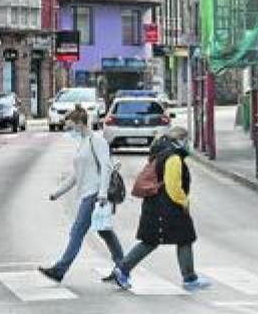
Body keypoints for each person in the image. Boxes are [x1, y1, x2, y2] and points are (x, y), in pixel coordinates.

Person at [110, 126, 210, 292]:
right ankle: (123, 270)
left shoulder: (162, 154)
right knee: (177, 239)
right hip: (167, 207)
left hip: (156, 206)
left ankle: (123, 270)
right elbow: (173, 186)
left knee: (164, 240)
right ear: (179, 140)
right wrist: (184, 201)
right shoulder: (173, 158)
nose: (188, 143)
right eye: (186, 140)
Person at [39, 105, 124, 283]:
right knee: (105, 232)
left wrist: (102, 195)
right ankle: (122, 267)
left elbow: (107, 168)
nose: (69, 131)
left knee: (77, 232)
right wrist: (57, 193)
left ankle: (59, 270)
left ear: (80, 124)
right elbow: (76, 175)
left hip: (95, 195)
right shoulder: (83, 143)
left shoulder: (97, 141)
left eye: (71, 127)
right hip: (88, 194)